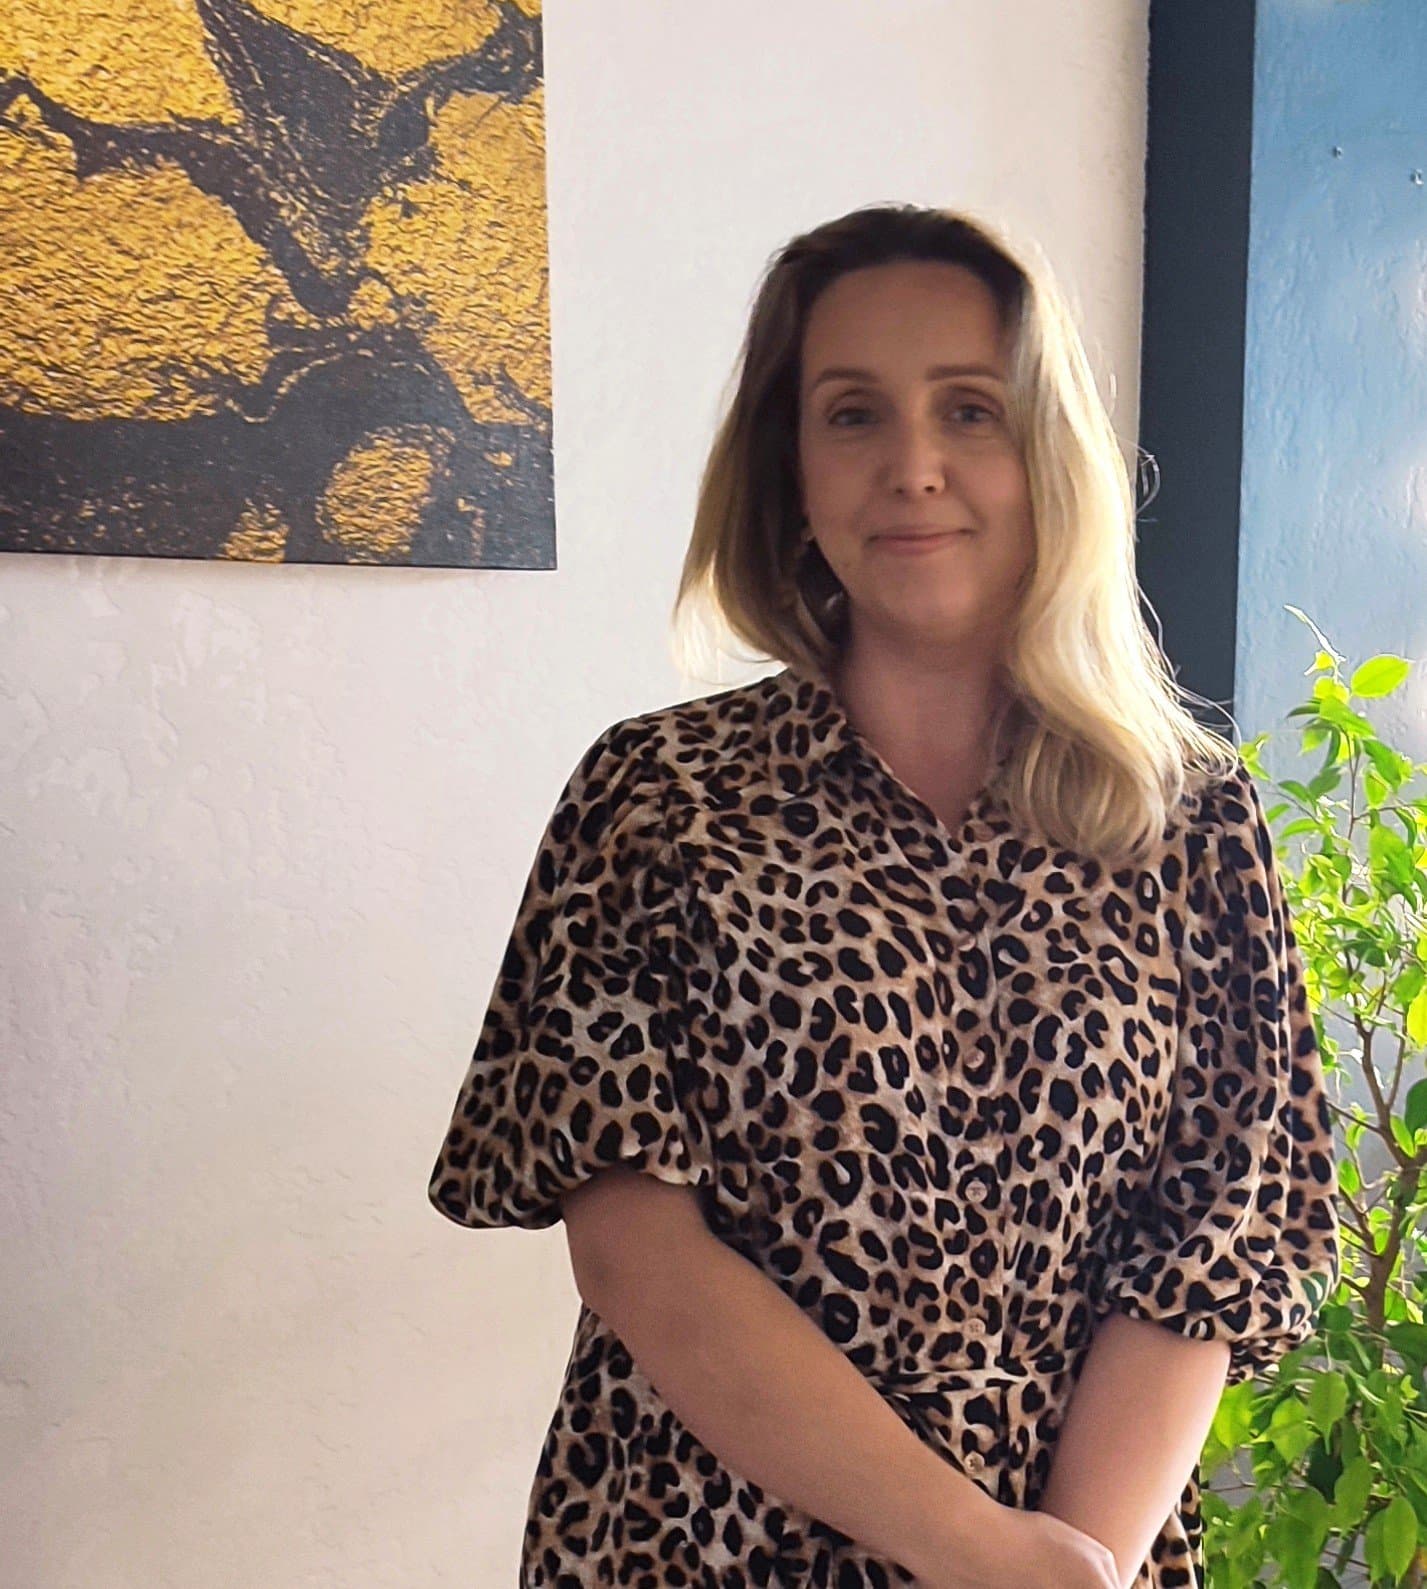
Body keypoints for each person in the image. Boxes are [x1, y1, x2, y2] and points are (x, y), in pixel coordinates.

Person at [427, 203, 1342, 1589]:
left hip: (1078, 1544)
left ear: (1048, 452)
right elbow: (636, 1256)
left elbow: (1211, 1247)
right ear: (789, 467)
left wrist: (1074, 1565)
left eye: (971, 409)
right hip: (704, 1540)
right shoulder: (657, 801)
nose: (913, 466)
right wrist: (972, 1549)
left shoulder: (1194, 824)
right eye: (852, 415)